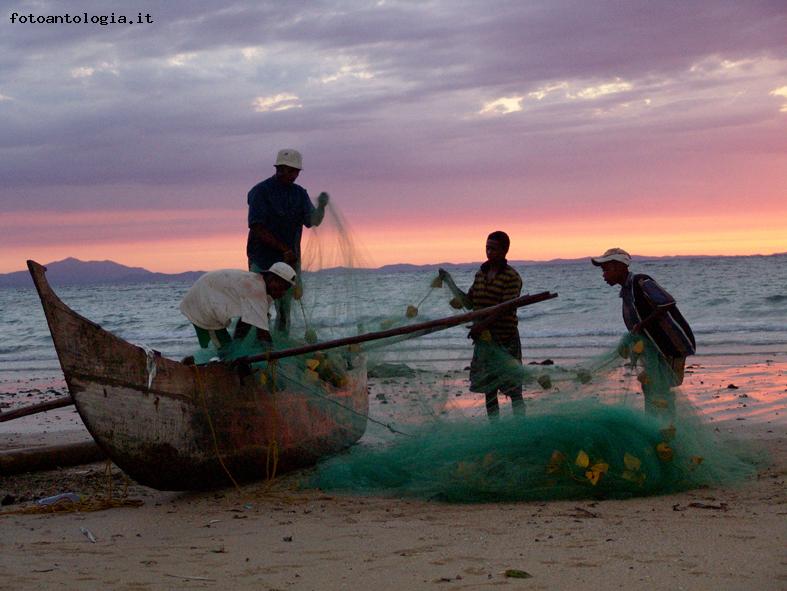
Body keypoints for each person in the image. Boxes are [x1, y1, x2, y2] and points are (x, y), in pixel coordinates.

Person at [591, 247, 696, 416]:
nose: (604, 275)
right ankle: (657, 423)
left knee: (662, 386)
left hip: (671, 344)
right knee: (651, 385)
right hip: (655, 348)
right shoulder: (626, 290)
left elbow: (667, 302)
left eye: (606, 269)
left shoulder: (640, 281)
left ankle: (667, 426)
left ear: (619, 267)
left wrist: (642, 325)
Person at [246, 148, 329, 334]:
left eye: (293, 171)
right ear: (278, 169)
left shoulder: (299, 194)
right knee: (258, 309)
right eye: (285, 170)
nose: (289, 175)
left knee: (284, 311)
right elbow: (257, 227)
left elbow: (312, 221)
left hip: (289, 262)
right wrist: (284, 249)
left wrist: (322, 206)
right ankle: (258, 349)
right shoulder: (260, 192)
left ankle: (279, 349)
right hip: (262, 261)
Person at [443, 231, 525, 419]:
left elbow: (505, 308)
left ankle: (521, 426)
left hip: (505, 340)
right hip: (485, 341)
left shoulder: (512, 277)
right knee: (489, 390)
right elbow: (470, 302)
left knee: (514, 389)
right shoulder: (481, 274)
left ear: (505, 251)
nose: (489, 252)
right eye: (487, 248)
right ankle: (494, 429)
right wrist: (450, 283)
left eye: (494, 249)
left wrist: (481, 326)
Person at [179, 262, 297, 358]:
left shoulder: (258, 283)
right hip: (202, 306)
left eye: (286, 289)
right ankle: (206, 371)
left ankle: (206, 366)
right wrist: (273, 355)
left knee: (223, 347)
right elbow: (262, 333)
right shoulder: (256, 291)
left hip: (203, 296)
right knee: (221, 350)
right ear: (272, 279)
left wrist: (237, 343)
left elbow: (246, 321)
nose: (282, 293)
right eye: (281, 287)